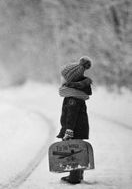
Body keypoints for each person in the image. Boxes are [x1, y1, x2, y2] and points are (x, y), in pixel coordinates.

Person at [57, 56, 93, 184]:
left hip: (74, 129)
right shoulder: (76, 95)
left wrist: (69, 130)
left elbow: (71, 116)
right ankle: (78, 175)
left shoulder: (73, 98)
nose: (61, 79)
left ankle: (74, 177)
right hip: (79, 129)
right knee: (77, 150)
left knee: (73, 152)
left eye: (64, 77)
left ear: (70, 80)